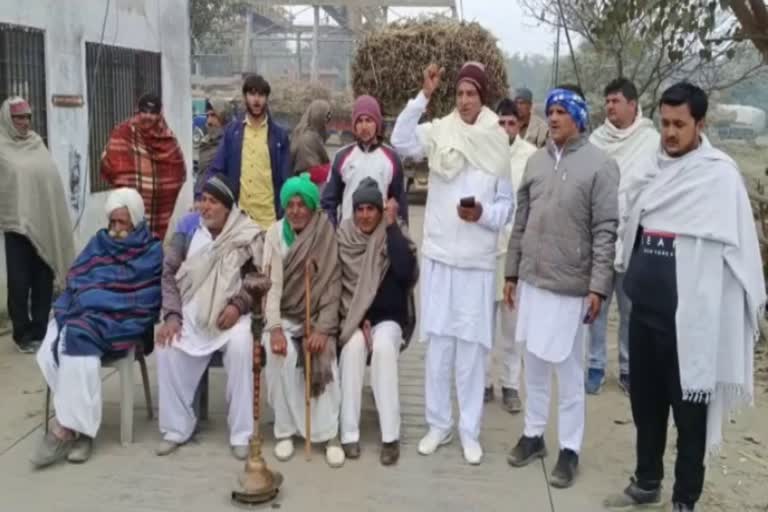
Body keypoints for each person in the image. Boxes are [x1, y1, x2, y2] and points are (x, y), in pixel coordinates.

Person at [603, 82, 765, 512]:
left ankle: (685, 497)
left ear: (700, 124)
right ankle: (647, 481)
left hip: (693, 322)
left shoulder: (719, 176)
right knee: (646, 406)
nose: (670, 132)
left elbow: (742, 255)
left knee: (689, 413)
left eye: (679, 124)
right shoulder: (648, 169)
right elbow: (631, 225)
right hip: (645, 313)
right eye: (665, 123)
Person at [391, 62, 514, 465]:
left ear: (483, 97)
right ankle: (438, 425)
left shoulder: (497, 141)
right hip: (441, 258)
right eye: (459, 94)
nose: (464, 101)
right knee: (440, 347)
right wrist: (423, 96)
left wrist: (483, 215)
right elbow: (399, 138)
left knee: (472, 351)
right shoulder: (439, 130)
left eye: (471, 94)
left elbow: (506, 206)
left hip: (477, 263)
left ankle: (469, 431)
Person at [504, 85, 619, 488]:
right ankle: (534, 435)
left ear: (578, 117)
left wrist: (598, 288)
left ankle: (570, 449)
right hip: (534, 283)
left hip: (572, 288)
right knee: (532, 365)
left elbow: (606, 231)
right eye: (549, 111)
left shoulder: (600, 166)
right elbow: (520, 222)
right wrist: (511, 273)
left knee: (569, 374)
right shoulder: (535, 162)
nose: (552, 118)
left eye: (560, 112)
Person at [31, 188, 162, 467]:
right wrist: (88, 301)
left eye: (122, 223)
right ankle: (78, 428)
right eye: (112, 222)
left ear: (136, 221)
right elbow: (78, 276)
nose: (115, 229)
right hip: (86, 313)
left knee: (76, 336)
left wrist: (100, 303)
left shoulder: (151, 251)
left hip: (123, 319)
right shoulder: (99, 243)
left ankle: (69, 430)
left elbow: (145, 297)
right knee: (58, 338)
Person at [154, 175, 267, 460]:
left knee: (243, 345)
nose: (205, 207)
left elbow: (258, 279)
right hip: (192, 313)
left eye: (212, 202)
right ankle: (177, 428)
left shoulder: (247, 234)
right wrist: (171, 316)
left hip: (231, 316)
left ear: (227, 208)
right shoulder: (189, 231)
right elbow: (169, 274)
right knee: (166, 344)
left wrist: (237, 306)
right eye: (203, 200)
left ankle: (242, 434)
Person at [261, 174, 345, 468]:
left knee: (324, 359)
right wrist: (274, 330)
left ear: (312, 207)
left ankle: (328, 434)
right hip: (283, 316)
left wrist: (323, 329)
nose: (296, 210)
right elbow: (269, 287)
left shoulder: (325, 233)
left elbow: (333, 285)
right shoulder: (274, 234)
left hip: (316, 317)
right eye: (290, 204)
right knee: (280, 355)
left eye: (302, 204)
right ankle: (284, 431)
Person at [586, 78, 660, 395]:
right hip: (600, 236)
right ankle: (594, 365)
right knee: (596, 306)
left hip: (635, 238)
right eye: (607, 102)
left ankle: (629, 368)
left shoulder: (650, 141)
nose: (610, 107)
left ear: (633, 104)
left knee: (631, 309)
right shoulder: (595, 141)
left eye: (616, 101)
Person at [337, 178, 419, 466]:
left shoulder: (394, 233)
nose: (365, 215)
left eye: (371, 208)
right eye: (360, 208)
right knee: (354, 348)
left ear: (380, 210)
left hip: (389, 319)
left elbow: (406, 273)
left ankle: (389, 437)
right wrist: (359, 319)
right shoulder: (344, 236)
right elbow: (338, 286)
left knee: (384, 348)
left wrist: (392, 226)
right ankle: (348, 433)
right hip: (353, 318)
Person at [0, 96, 75, 353]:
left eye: (27, 117)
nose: (24, 122)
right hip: (17, 227)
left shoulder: (37, 143)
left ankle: (41, 330)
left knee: (43, 278)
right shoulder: (2, 146)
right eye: (18, 117)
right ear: (8, 119)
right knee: (19, 283)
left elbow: (48, 182)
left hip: (43, 222)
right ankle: (22, 334)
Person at [484, 98, 536, 413]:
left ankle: (511, 385)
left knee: (513, 326)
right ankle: (484, 382)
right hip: (485, 251)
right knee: (483, 323)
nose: (505, 129)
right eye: (500, 123)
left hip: (516, 253)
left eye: (511, 123)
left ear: (519, 124)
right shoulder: (481, 153)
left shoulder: (531, 157)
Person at [204, 74, 291, 229]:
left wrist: (284, 215)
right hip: (239, 222)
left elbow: (286, 180)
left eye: (261, 94)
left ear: (266, 98)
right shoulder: (232, 133)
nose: (256, 99)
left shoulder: (279, 136)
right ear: (245, 97)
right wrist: (202, 197)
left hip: (269, 222)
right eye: (252, 94)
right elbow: (216, 169)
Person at [101, 93, 186, 241]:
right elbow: (108, 162)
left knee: (150, 248)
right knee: (123, 245)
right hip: (126, 212)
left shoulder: (168, 139)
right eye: (144, 111)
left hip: (157, 211)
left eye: (152, 113)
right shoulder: (123, 132)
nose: (147, 116)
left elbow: (178, 171)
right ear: (137, 112)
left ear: (159, 115)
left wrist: (162, 188)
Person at [321, 95, 408, 226]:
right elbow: (328, 202)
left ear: (377, 123)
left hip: (379, 240)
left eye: (368, 120)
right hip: (347, 239)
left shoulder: (391, 158)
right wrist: (331, 233)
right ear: (354, 126)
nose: (364, 126)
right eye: (359, 121)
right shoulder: (342, 157)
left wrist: (401, 240)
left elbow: (399, 205)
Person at [195, 98, 235, 195]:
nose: (208, 121)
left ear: (224, 117)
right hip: (201, 199)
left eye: (213, 115)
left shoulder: (232, 144)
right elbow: (201, 176)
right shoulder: (207, 142)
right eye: (207, 116)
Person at [290, 99, 332, 186]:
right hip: (305, 190)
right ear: (318, 116)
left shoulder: (314, 136)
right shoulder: (307, 138)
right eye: (326, 117)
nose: (327, 121)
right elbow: (309, 172)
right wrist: (332, 172)